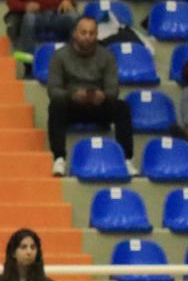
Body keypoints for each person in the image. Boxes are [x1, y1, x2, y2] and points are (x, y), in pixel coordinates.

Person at [45, 14, 133, 176]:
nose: (87, 37)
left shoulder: (106, 56)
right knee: (56, 106)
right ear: (75, 34)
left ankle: (126, 159)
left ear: (96, 35)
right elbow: (53, 90)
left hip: (97, 105)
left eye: (91, 33)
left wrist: (103, 96)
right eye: (83, 33)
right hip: (72, 106)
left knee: (122, 107)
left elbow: (113, 89)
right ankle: (59, 158)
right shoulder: (60, 56)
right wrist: (72, 95)